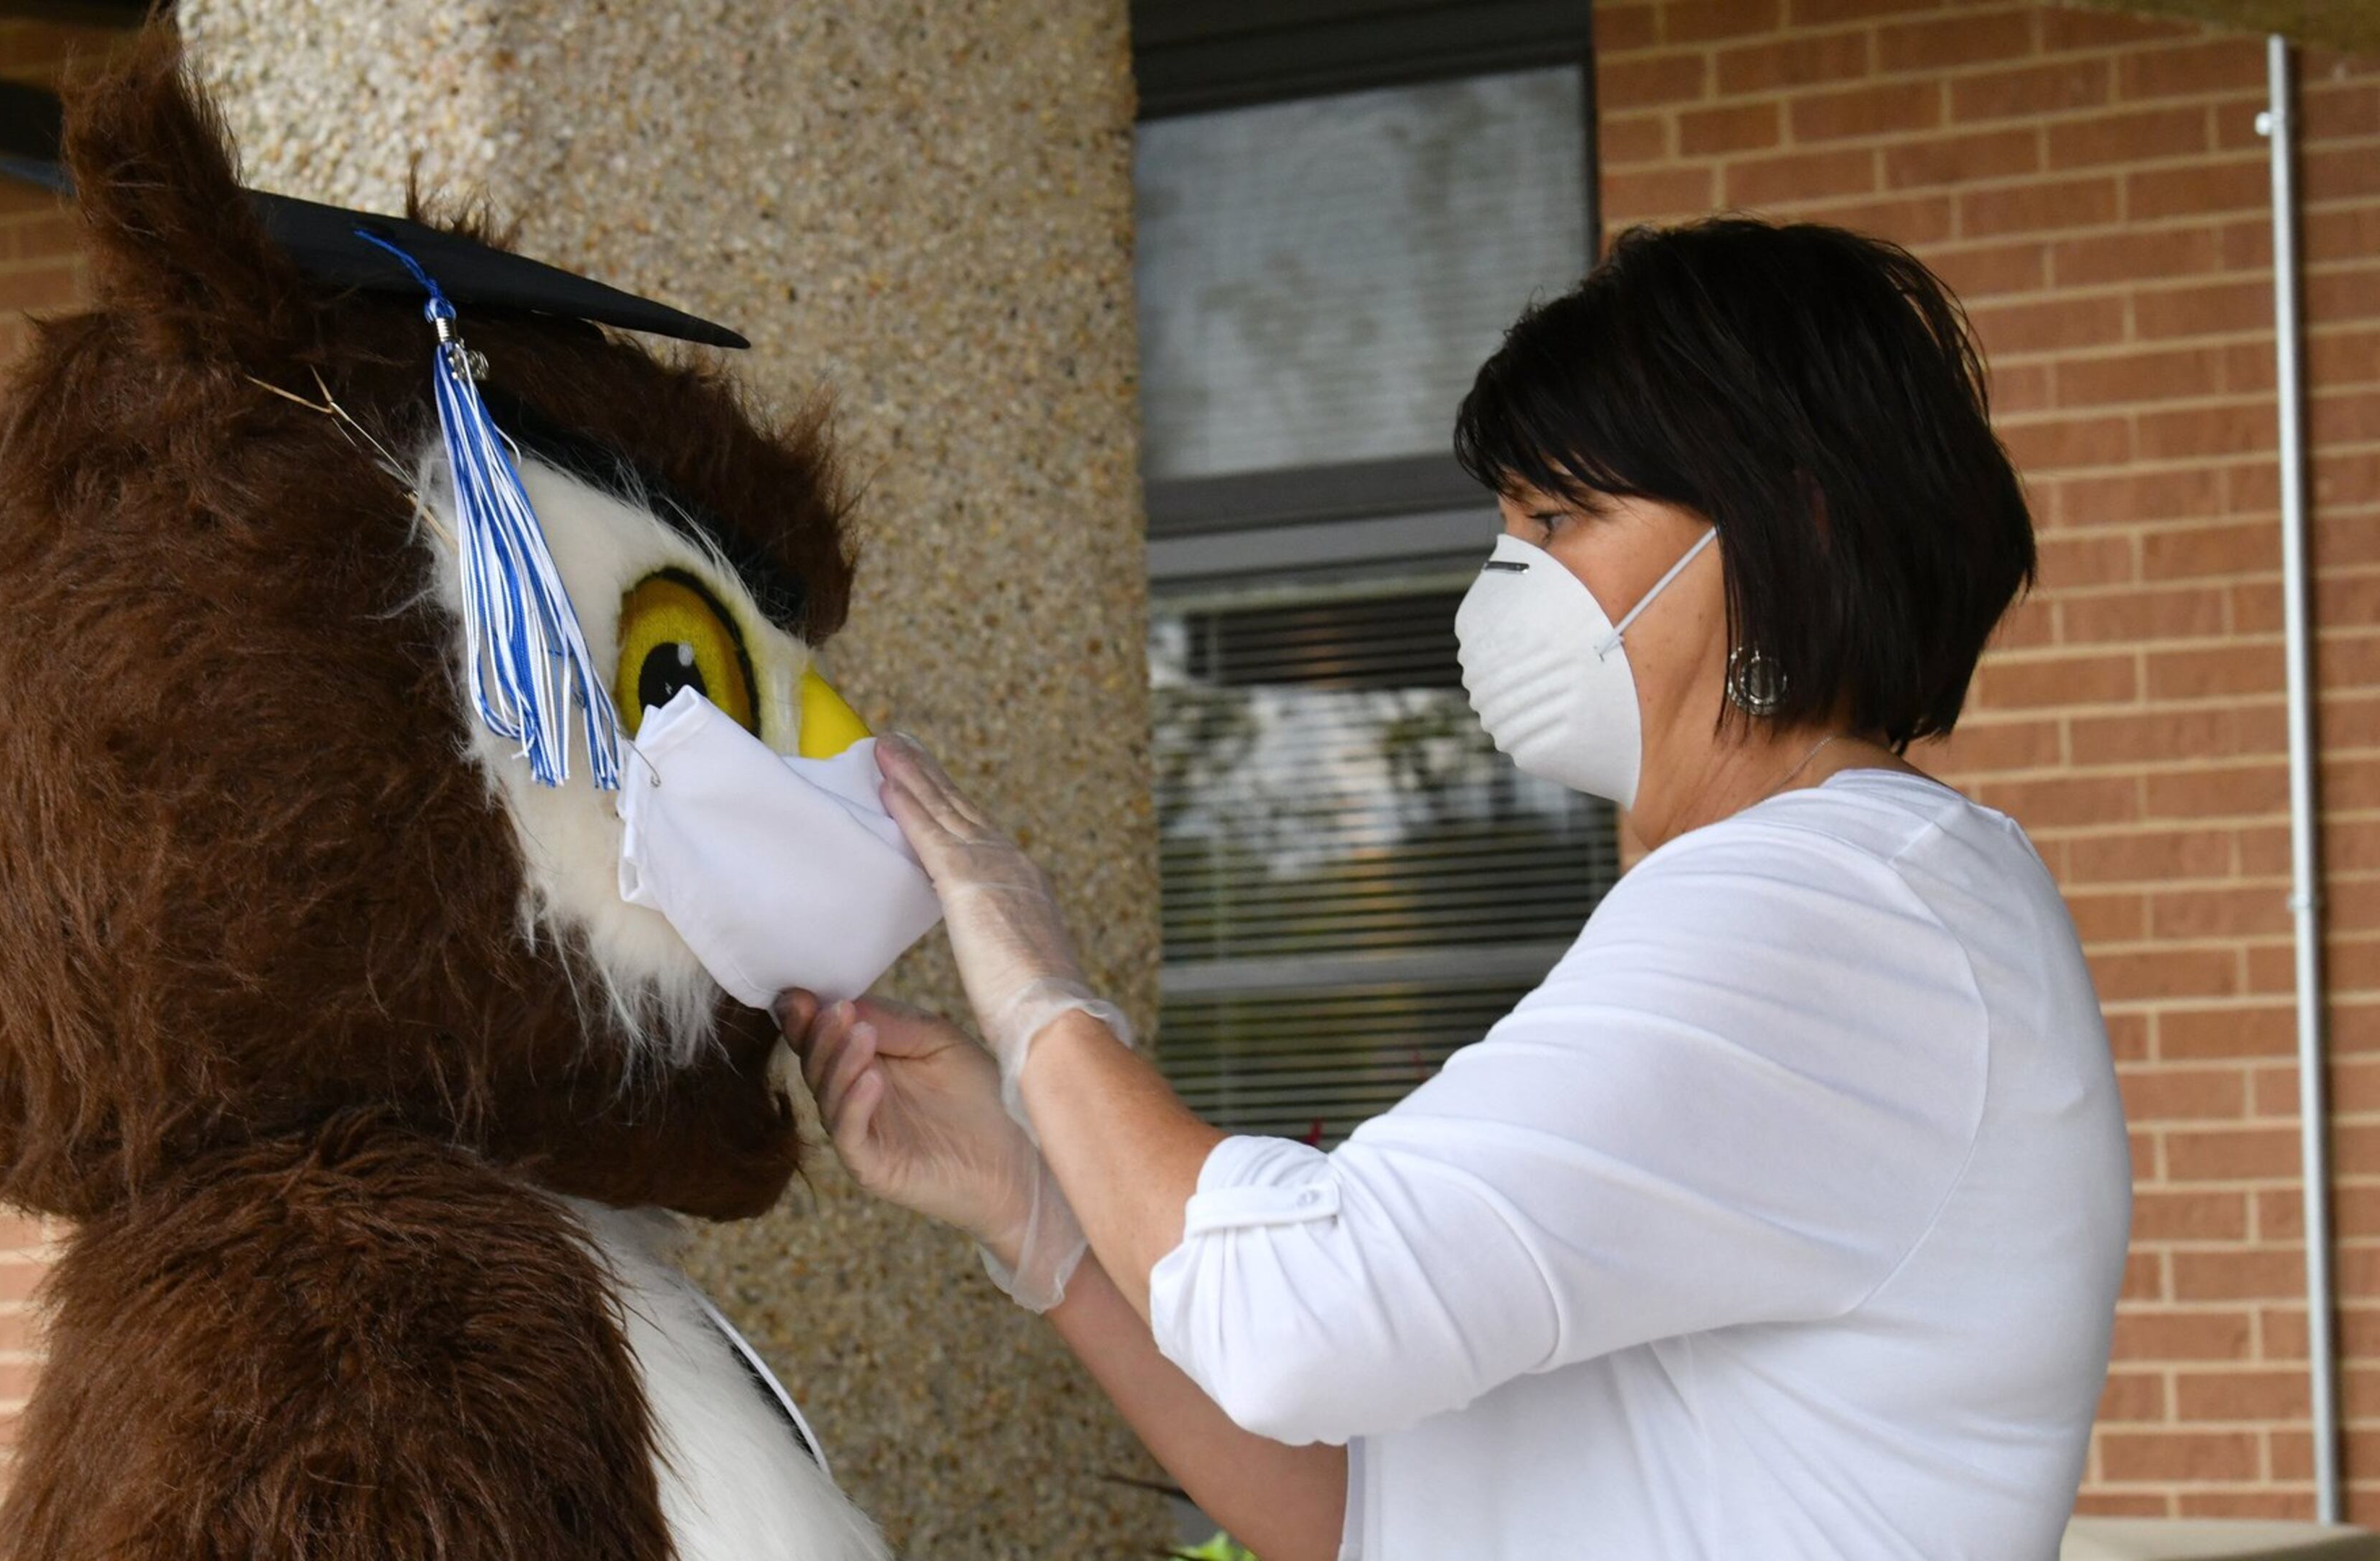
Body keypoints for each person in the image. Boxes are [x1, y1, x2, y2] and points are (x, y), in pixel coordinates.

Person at [776, 217, 2131, 1561]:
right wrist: (1033, 1200)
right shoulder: (1869, 899)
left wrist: (1036, 995)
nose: (1508, 585)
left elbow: (1297, 1319)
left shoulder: (1829, 916)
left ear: (1791, 525)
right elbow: (1366, 1506)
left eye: (1558, 519)